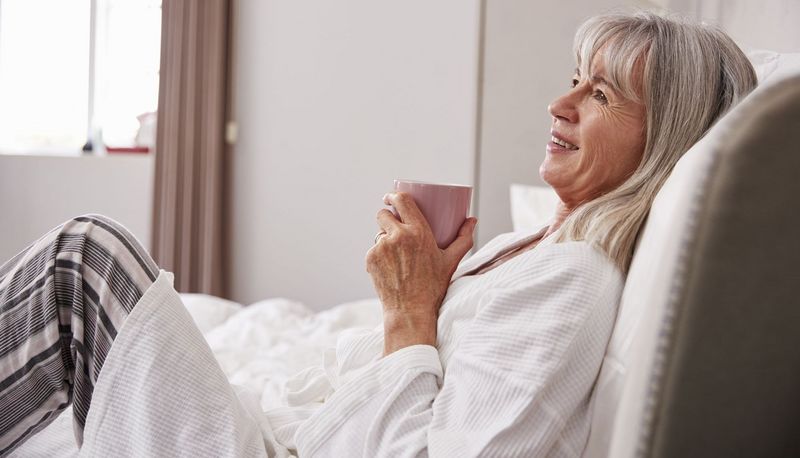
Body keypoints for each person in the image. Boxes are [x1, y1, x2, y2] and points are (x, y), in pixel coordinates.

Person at [0, 11, 757, 458]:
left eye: (600, 93)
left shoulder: (578, 282)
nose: (559, 103)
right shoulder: (533, 249)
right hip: (293, 427)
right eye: (573, 77)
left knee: (85, 259)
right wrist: (427, 288)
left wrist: (408, 312)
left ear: (662, 143)